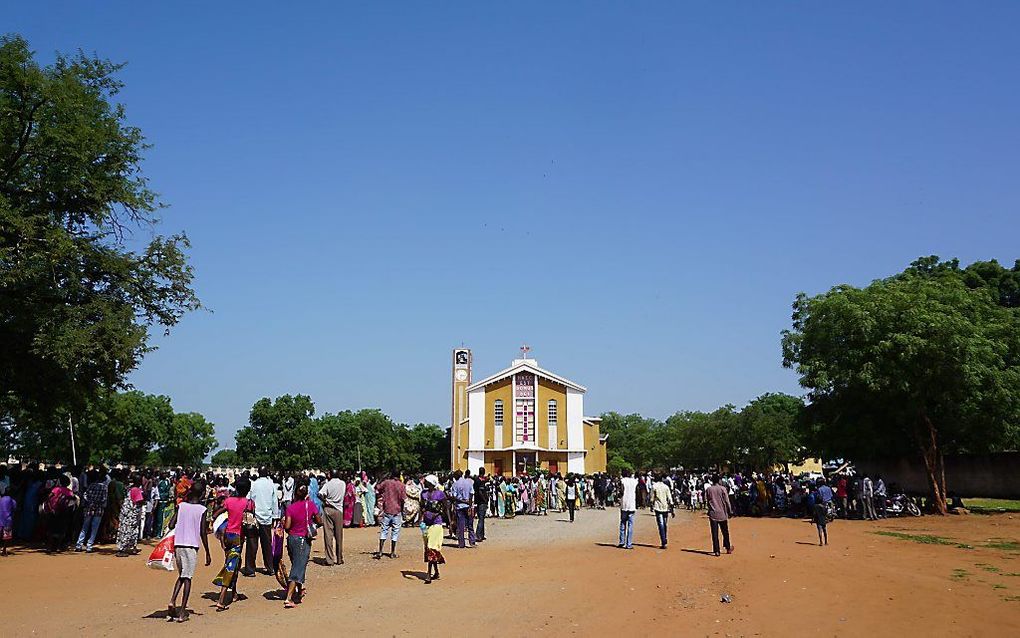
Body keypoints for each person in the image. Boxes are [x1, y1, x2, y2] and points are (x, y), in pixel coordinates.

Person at [166, 482, 211, 623]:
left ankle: (173, 600)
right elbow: (203, 532)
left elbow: (171, 524)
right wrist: (208, 552)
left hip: (178, 545)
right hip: (191, 546)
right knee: (188, 578)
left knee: (182, 575)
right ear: (203, 494)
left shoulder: (182, 506)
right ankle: (182, 612)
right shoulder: (202, 510)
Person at [213, 477, 253, 611]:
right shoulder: (249, 503)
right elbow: (251, 519)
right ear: (248, 490)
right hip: (238, 537)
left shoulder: (229, 501)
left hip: (227, 536)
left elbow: (216, 514)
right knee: (231, 565)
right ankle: (221, 599)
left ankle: (234, 593)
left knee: (234, 563)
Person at [283, 484, 321, 608]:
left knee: (297, 564)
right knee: (298, 567)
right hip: (303, 540)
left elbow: (287, 526)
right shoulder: (310, 505)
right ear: (306, 494)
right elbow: (319, 520)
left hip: (291, 539)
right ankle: (289, 597)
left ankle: (299, 590)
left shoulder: (290, 508)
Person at [245, 468, 277, 577]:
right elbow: (274, 501)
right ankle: (270, 568)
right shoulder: (271, 484)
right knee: (267, 544)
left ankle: (250, 569)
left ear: (258, 473)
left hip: (254, 518)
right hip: (267, 517)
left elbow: (248, 499)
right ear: (267, 473)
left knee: (252, 543)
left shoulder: (254, 484)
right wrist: (275, 516)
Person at [420, 475, 446, 585]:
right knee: (429, 548)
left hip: (437, 523)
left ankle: (428, 574)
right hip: (426, 524)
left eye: (426, 481)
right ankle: (436, 572)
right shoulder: (423, 494)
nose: (424, 483)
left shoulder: (440, 494)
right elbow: (422, 507)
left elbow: (446, 507)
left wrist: (448, 520)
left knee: (431, 547)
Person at [374, 471, 406, 559]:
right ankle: (392, 553)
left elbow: (377, 487)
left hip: (387, 510)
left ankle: (380, 551)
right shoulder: (402, 485)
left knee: (384, 531)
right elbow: (403, 499)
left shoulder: (386, 483)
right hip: (397, 510)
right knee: (395, 532)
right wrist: (403, 511)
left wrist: (382, 478)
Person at [317, 470, 346, 566]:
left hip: (328, 509)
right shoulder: (343, 483)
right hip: (339, 510)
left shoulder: (327, 484)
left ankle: (329, 560)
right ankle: (339, 558)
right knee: (339, 536)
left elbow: (319, 494)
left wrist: (325, 501)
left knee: (328, 535)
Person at [75, 469, 107, 553]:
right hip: (98, 510)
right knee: (94, 528)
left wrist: (90, 502)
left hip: (89, 508)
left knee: (84, 527)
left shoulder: (91, 486)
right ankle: (89, 545)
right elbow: (104, 499)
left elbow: (85, 496)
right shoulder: (104, 487)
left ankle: (79, 544)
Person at [115, 474, 144, 557]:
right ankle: (122, 549)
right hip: (130, 515)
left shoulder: (130, 488)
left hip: (126, 513)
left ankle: (131, 547)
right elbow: (139, 501)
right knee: (128, 531)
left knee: (130, 531)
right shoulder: (136, 490)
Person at [706, 474, 734, 556]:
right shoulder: (723, 489)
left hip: (713, 514)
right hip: (722, 513)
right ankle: (728, 548)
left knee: (714, 533)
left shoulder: (709, 490)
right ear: (719, 480)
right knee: (725, 532)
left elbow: (707, 501)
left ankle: (716, 550)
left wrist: (709, 509)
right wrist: (730, 510)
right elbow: (727, 501)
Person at [451, 470, 476, 548]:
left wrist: (462, 501)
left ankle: (461, 543)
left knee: (461, 526)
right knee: (470, 524)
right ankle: (472, 542)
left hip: (460, 507)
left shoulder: (455, 485)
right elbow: (472, 493)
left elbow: (454, 497)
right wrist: (469, 503)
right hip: (468, 506)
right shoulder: (469, 482)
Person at [651, 473, 675, 549]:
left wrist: (651, 505)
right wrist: (672, 509)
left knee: (661, 524)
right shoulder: (666, 487)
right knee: (664, 524)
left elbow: (652, 498)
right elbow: (670, 498)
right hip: (665, 507)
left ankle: (663, 540)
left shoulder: (654, 486)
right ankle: (664, 539)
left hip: (658, 507)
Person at [618, 469, 638, 548]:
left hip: (624, 504)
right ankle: (629, 543)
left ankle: (621, 542)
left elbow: (621, 491)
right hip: (632, 504)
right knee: (630, 525)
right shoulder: (634, 481)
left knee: (623, 523)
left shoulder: (622, 481)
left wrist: (619, 497)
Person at [473, 468, 490, 541]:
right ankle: (478, 535)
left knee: (482, 518)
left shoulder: (476, 481)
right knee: (481, 519)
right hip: (481, 502)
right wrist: (485, 499)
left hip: (477, 501)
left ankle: (482, 535)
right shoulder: (480, 482)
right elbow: (480, 491)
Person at [0, 490, 15, 556]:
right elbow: (15, 508)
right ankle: (4, 550)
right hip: (8, 519)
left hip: (0, 519)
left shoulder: (1, 499)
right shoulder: (11, 500)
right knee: (7, 536)